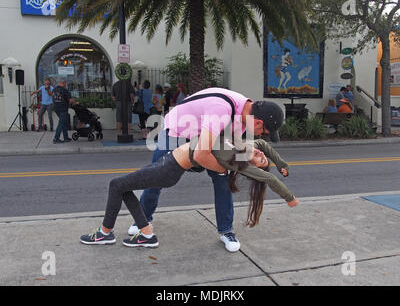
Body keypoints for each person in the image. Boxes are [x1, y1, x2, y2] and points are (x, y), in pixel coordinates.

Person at [130, 87, 285, 253]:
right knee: (157, 177)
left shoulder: (246, 114)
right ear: (259, 123)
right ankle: (142, 220)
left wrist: (243, 160)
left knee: (222, 179)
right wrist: (223, 167)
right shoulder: (221, 110)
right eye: (263, 132)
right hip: (176, 132)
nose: (261, 135)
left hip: (207, 136)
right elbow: (200, 155)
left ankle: (226, 231)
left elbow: (231, 148)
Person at [80, 138, 299, 247]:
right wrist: (281, 163)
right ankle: (146, 233)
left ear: (252, 166)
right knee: (121, 186)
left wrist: (289, 198)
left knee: (116, 185)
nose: (261, 153)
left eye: (260, 159)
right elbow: (265, 145)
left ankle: (106, 233)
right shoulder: (247, 146)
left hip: (169, 169)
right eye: (262, 155)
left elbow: (268, 178)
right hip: (168, 160)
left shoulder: (237, 161)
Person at [52, 78, 77, 144]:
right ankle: (56, 138)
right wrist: (76, 103)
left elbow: (53, 98)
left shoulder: (54, 89)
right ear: (63, 83)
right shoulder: (64, 90)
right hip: (63, 109)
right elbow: (70, 100)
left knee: (64, 123)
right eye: (65, 83)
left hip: (56, 108)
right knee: (61, 123)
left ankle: (66, 137)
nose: (65, 84)